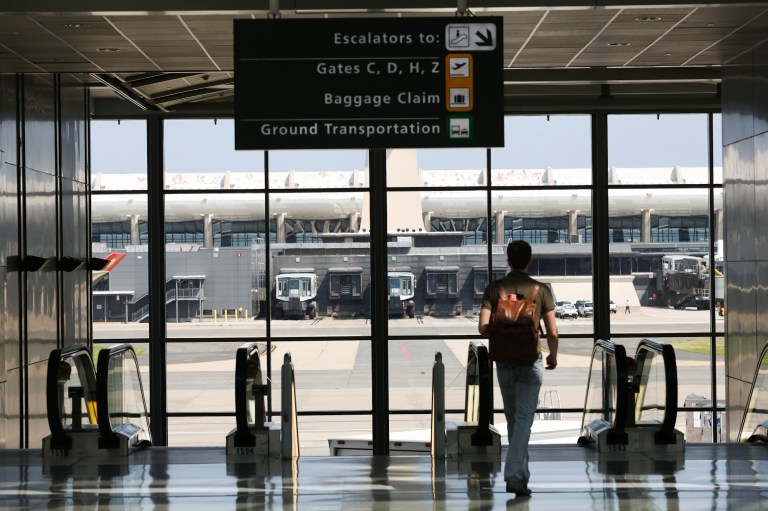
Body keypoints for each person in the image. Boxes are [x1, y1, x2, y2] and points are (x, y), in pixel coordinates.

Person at [478, 240, 558, 497]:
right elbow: (553, 332)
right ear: (530, 260)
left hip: (504, 362)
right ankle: (514, 475)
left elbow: (482, 327)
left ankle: (520, 479)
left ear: (508, 261)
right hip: (530, 361)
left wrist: (504, 333)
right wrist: (553, 357)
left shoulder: (495, 289)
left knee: (514, 420)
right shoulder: (541, 290)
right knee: (523, 420)